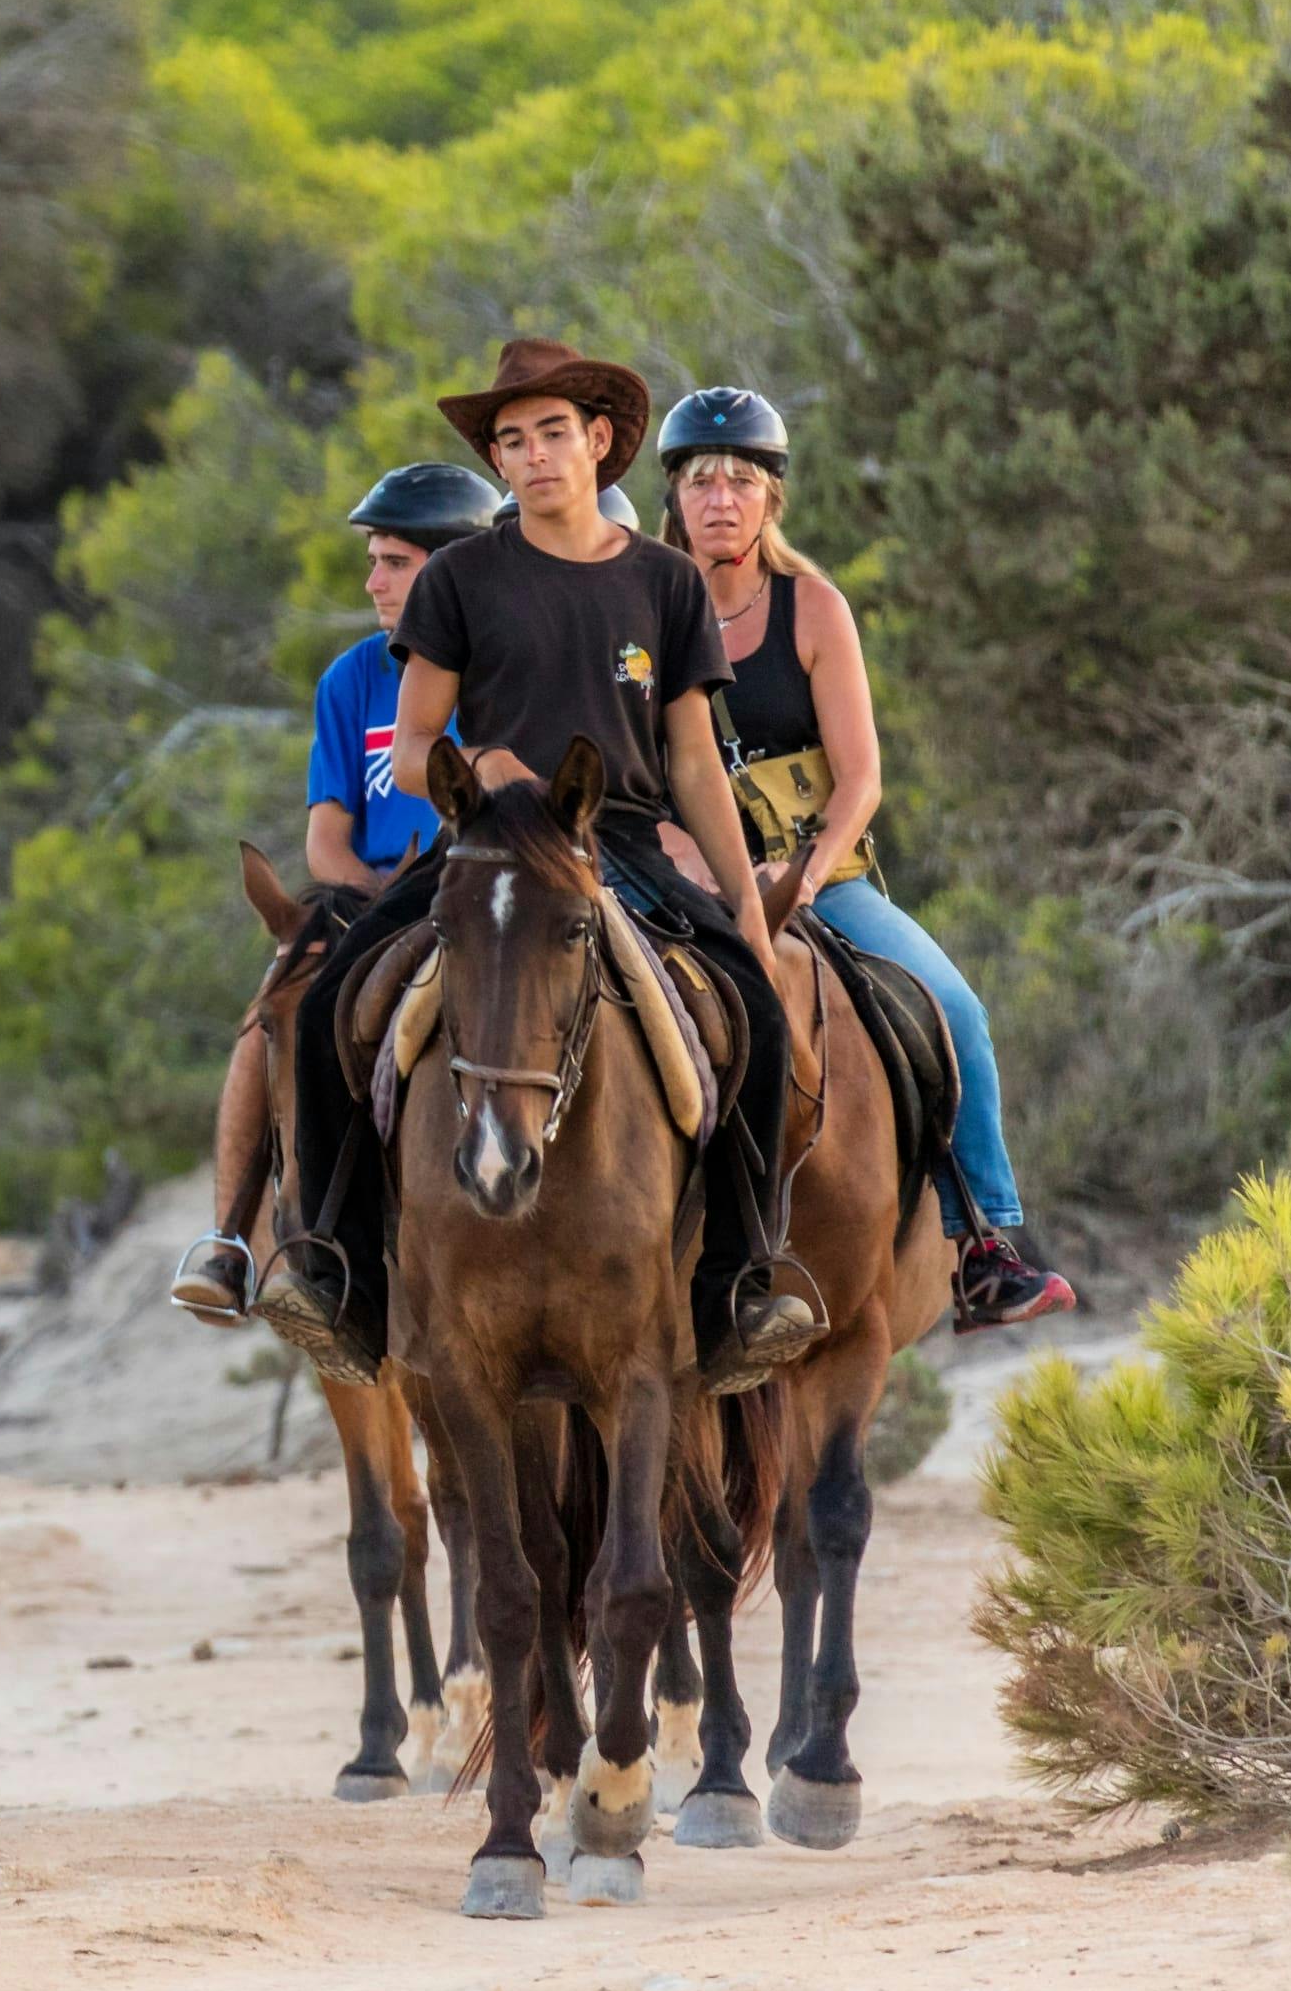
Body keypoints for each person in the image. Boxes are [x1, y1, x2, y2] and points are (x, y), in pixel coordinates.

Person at [242, 336, 825, 1388]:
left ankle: (738, 1284)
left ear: (597, 443)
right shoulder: (460, 579)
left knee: (756, 1013)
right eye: (510, 442)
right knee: (336, 996)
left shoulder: (663, 583)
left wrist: (741, 900)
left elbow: (693, 758)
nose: (533, 456)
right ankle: (339, 1277)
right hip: (487, 851)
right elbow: (412, 749)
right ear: (499, 463)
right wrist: (483, 763)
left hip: (628, 848)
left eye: (552, 434)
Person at [651, 385, 1080, 1332]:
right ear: (673, 496)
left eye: (742, 481)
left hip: (819, 882)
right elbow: (645, 776)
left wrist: (804, 876)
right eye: (701, 481)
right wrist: (693, 862)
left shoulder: (814, 608)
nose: (721, 499)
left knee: (953, 1009)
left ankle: (984, 1240)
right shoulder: (643, 613)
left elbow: (861, 778)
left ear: (771, 499)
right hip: (685, 887)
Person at [171, 460, 502, 1323]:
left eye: (393, 560)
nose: (373, 580)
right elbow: (324, 843)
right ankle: (237, 1244)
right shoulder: (351, 679)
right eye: (373, 559)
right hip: (379, 893)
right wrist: (379, 890)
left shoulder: (506, 662)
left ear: (448, 566)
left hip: (489, 886)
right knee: (275, 1010)